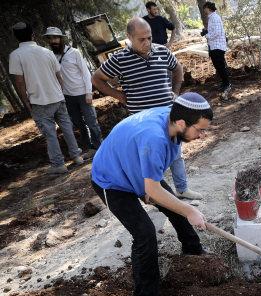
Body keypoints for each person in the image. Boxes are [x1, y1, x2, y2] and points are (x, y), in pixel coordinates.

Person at [90, 92, 212, 296]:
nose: (202, 135)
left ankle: (192, 250)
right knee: (145, 233)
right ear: (182, 123)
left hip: (135, 167)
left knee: (175, 205)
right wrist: (190, 211)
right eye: (200, 130)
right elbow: (153, 191)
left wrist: (179, 206)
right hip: (112, 178)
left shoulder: (172, 121)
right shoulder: (154, 137)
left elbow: (153, 188)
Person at [92, 17, 203, 200]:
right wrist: (119, 96)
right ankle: (151, 194)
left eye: (149, 38)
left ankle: (182, 190)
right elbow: (96, 79)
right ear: (129, 37)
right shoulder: (119, 59)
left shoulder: (162, 52)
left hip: (168, 116)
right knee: (147, 159)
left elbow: (178, 69)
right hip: (142, 122)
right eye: (141, 39)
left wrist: (175, 92)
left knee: (175, 153)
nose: (147, 43)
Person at [9, 22, 83, 175]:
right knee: (67, 128)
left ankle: (59, 164)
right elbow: (58, 75)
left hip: (39, 101)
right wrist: (61, 91)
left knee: (50, 134)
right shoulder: (46, 52)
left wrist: (25, 101)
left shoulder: (15, 55)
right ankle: (76, 156)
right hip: (57, 97)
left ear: (16, 37)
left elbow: (19, 81)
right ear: (33, 35)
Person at [44, 27, 103, 159]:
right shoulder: (51, 56)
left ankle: (99, 146)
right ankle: (89, 148)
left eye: (56, 37)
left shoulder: (74, 52)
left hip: (82, 93)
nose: (54, 41)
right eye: (51, 38)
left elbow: (85, 73)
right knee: (78, 124)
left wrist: (89, 92)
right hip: (67, 97)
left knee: (91, 121)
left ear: (61, 38)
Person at [202, 2, 232, 97]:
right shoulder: (212, 18)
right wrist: (206, 32)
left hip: (218, 46)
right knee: (218, 66)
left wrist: (206, 35)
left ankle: (227, 84)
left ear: (208, 8)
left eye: (205, 8)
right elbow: (214, 31)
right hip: (214, 46)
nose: (204, 10)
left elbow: (217, 33)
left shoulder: (214, 18)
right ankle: (224, 83)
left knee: (220, 66)